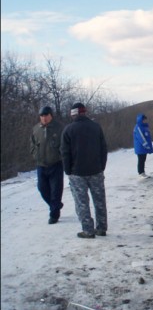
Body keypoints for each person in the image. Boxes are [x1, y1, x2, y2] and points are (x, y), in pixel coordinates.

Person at [61, 102, 108, 239]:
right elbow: (103, 149)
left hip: (77, 173)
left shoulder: (68, 130)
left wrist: (68, 170)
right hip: (96, 170)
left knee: (82, 202)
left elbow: (65, 153)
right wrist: (101, 166)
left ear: (73, 114)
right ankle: (102, 228)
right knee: (99, 200)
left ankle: (88, 230)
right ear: (84, 112)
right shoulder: (96, 127)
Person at [30, 106, 65, 224]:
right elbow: (32, 145)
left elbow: (64, 145)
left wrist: (61, 155)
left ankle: (54, 215)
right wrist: (35, 155)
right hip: (41, 165)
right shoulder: (36, 129)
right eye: (42, 116)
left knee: (56, 191)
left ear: (51, 115)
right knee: (42, 188)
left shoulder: (59, 128)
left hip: (56, 164)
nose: (44, 118)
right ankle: (56, 205)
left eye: (46, 115)